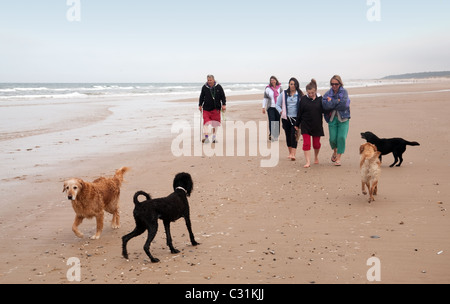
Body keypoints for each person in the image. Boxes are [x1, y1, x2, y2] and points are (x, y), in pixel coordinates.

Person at [322, 75, 351, 166]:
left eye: (336, 84)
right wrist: (337, 101)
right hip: (332, 118)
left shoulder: (344, 92)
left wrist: (332, 101)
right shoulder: (327, 93)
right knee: (333, 139)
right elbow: (325, 105)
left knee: (341, 138)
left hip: (344, 118)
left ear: (340, 84)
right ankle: (335, 151)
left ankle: (338, 157)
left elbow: (344, 105)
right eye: (332, 84)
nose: (334, 86)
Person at [295, 79, 324, 168]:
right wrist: (297, 124)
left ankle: (316, 157)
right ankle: (307, 161)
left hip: (317, 124)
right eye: (309, 93)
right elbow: (299, 112)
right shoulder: (303, 99)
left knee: (316, 144)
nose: (311, 94)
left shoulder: (320, 99)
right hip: (305, 124)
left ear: (315, 90)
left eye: (312, 93)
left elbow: (325, 110)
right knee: (306, 143)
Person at [276, 77, 304, 161]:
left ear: (297, 85)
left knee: (294, 135)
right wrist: (281, 111)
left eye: (294, 84)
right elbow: (277, 105)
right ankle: (290, 153)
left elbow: (303, 105)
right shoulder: (284, 94)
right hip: (286, 118)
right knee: (288, 135)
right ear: (289, 84)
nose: (293, 86)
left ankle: (293, 154)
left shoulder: (300, 94)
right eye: (291, 84)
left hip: (296, 118)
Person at [199, 75, 227, 143]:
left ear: (213, 80)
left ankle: (214, 138)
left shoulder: (218, 87)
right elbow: (201, 96)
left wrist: (224, 104)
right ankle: (206, 138)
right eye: (208, 80)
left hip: (216, 109)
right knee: (205, 123)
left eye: (210, 80)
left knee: (215, 124)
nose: (209, 82)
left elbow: (223, 96)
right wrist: (200, 105)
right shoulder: (204, 87)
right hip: (206, 108)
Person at [262, 76, 282, 141]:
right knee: (272, 120)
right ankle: (271, 134)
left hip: (278, 107)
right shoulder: (268, 89)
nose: (272, 81)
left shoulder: (280, 88)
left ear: (276, 80)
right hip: (270, 107)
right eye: (271, 80)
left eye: (273, 80)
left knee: (277, 121)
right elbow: (265, 98)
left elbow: (283, 98)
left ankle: (276, 135)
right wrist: (263, 107)